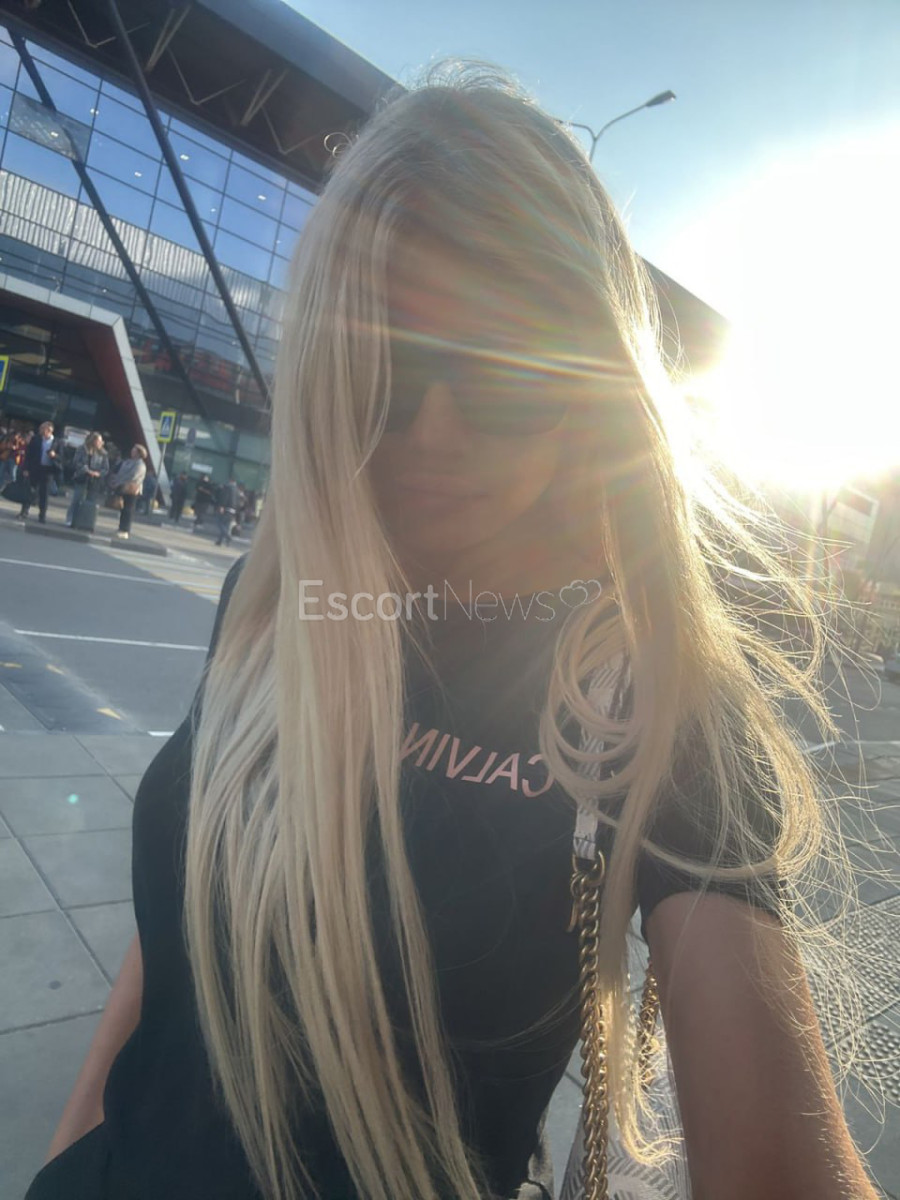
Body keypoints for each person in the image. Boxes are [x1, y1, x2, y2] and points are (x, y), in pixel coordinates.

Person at [27, 69, 885, 1200]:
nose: (433, 429)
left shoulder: (654, 697)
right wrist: (68, 1149)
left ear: (588, 383)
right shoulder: (273, 600)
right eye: (391, 365)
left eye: (496, 373)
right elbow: (187, 919)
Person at [17, 420, 61, 523]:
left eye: (42, 429)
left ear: (49, 430)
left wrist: (54, 456)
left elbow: (62, 457)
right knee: (30, 491)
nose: (40, 431)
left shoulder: (57, 442)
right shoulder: (36, 439)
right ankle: (24, 511)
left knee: (44, 494)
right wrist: (26, 469)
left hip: (48, 470)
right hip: (35, 468)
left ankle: (42, 515)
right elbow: (29, 454)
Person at [65, 433, 109, 526]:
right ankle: (70, 519)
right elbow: (76, 462)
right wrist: (86, 470)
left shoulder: (103, 453)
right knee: (77, 499)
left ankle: (85, 522)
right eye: (99, 441)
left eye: (101, 441)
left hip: (94, 480)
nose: (101, 443)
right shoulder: (82, 449)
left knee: (90, 501)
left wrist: (98, 473)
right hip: (82, 477)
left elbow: (105, 468)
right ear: (93, 440)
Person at [110, 444, 147, 540]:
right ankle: (120, 528)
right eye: (132, 450)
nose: (132, 452)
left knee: (128, 510)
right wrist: (116, 481)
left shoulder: (140, 465)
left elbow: (133, 476)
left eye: (134, 451)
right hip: (122, 487)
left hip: (132, 489)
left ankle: (125, 530)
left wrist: (120, 481)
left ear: (139, 453)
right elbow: (120, 472)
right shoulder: (127, 462)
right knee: (122, 508)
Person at [214, 476, 240, 546]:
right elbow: (238, 502)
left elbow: (225, 497)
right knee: (227, 526)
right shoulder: (237, 490)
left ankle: (228, 537)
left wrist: (222, 506)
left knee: (220, 523)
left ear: (230, 481)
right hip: (233, 510)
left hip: (227, 508)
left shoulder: (227, 487)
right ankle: (220, 541)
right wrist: (236, 511)